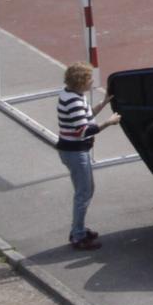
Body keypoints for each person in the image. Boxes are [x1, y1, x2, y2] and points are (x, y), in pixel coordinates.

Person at [55, 63, 119, 251]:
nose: (92, 82)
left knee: (85, 190)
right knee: (83, 193)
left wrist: (104, 102)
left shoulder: (71, 95)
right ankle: (78, 235)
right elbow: (84, 130)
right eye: (89, 79)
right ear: (81, 81)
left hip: (73, 151)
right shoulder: (73, 101)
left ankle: (79, 229)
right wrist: (109, 122)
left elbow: (86, 114)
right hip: (75, 152)